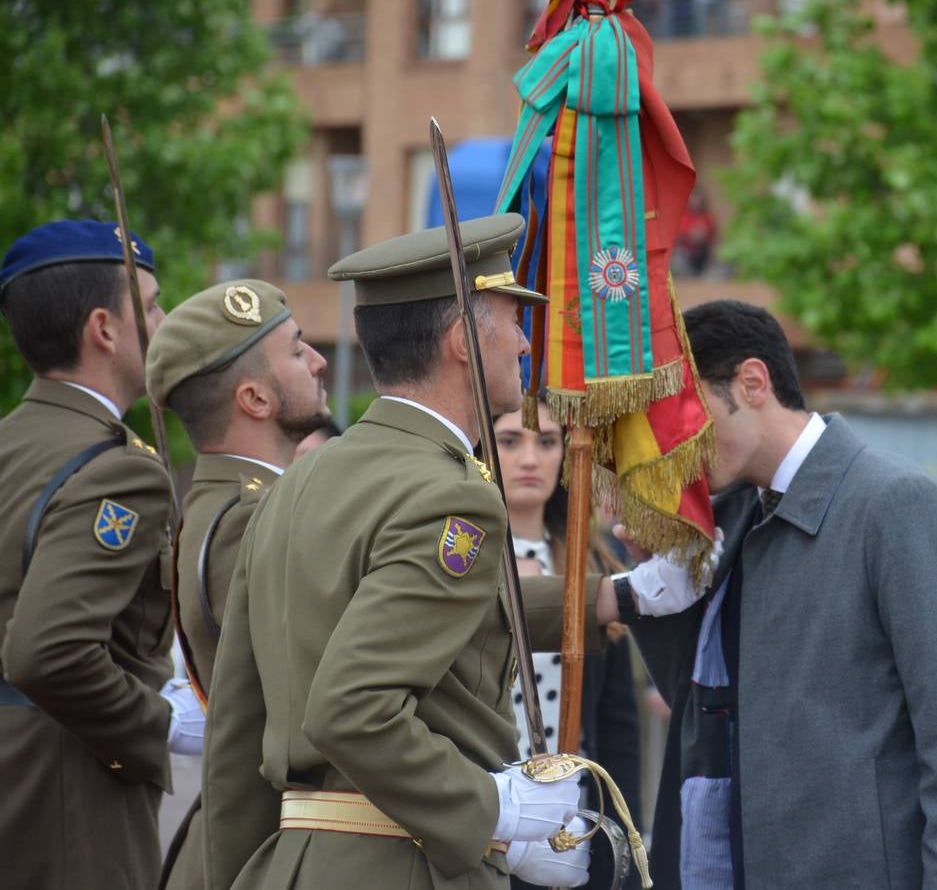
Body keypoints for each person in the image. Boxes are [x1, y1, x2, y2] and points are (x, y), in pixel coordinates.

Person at [202, 214, 625, 890]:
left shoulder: (299, 480)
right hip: (404, 866)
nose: (523, 342)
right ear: (461, 339)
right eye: (513, 319)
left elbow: (236, 734)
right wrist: (496, 809)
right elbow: (352, 709)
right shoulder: (450, 493)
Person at [615, 299, 937, 887]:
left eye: (685, 415)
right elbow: (706, 710)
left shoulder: (897, 505)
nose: (676, 444)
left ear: (752, 382)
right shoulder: (736, 519)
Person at [0, 220, 187, 889]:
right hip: (65, 798)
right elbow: (47, 652)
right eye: (156, 303)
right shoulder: (119, 471)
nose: (165, 320)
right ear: (105, 329)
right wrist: (155, 723)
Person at [144, 278, 330, 890]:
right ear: (254, 397)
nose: (319, 361)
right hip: (269, 848)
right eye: (299, 350)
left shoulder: (242, 505)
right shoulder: (246, 521)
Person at [495, 403, 643, 890]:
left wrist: (625, 839)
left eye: (547, 441)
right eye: (510, 441)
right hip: (486, 828)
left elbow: (619, 724)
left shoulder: (593, 567)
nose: (531, 459)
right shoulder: (457, 564)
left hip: (577, 832)